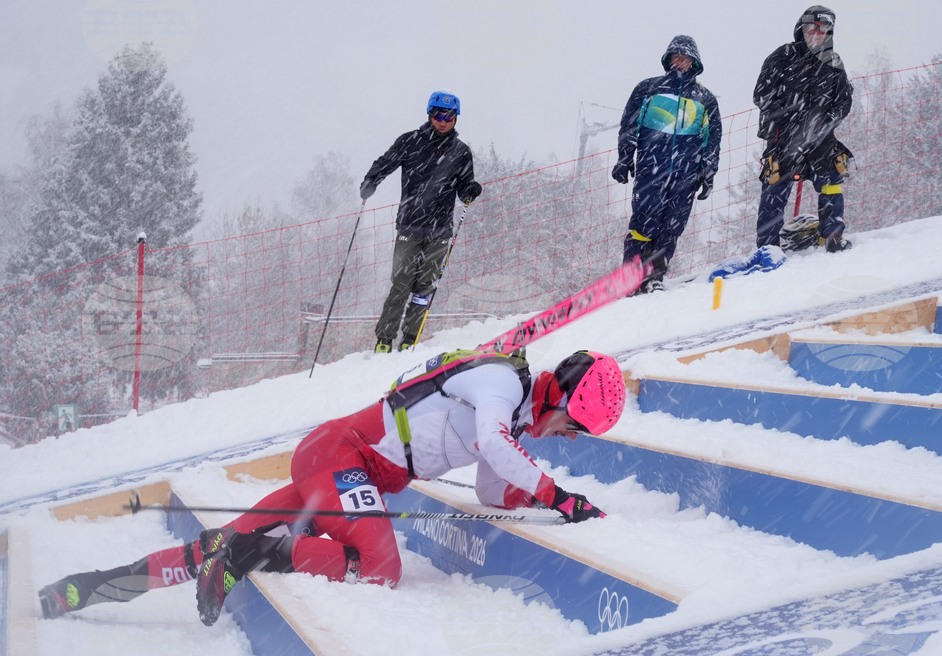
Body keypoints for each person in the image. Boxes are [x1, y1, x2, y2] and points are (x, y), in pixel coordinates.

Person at [38, 349, 627, 627]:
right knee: (379, 566)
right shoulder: (502, 382)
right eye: (577, 425)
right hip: (342, 457)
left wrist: (539, 498)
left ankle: (81, 590)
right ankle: (253, 553)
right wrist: (559, 496)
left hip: (340, 468)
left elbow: (494, 488)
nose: (570, 437)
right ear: (566, 397)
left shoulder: (515, 411)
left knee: (210, 548)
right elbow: (497, 447)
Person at [360, 91, 483, 353]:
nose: (443, 121)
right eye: (439, 115)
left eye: (450, 117)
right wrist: (371, 181)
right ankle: (384, 339)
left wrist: (470, 190)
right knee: (401, 284)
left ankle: (409, 340)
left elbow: (463, 187)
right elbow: (385, 163)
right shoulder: (410, 141)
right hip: (409, 226)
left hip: (439, 231)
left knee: (424, 287)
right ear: (430, 115)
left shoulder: (461, 152)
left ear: (455, 119)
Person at [613, 35, 722, 294]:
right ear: (668, 59)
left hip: (686, 174)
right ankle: (630, 277)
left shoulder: (705, 99)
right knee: (643, 224)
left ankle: (653, 278)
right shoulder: (649, 89)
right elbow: (629, 125)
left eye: (686, 58)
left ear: (695, 62)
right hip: (652, 169)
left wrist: (708, 172)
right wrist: (624, 157)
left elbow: (712, 139)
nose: (680, 62)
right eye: (676, 56)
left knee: (672, 227)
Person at [754, 6, 855, 253]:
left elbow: (844, 101)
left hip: (822, 140)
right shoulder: (782, 56)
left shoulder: (833, 62)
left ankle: (832, 237)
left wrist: (827, 121)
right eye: (813, 27)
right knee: (774, 193)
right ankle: (767, 249)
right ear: (802, 28)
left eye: (824, 29)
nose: (818, 33)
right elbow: (761, 94)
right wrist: (789, 117)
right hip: (784, 140)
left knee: (831, 184)